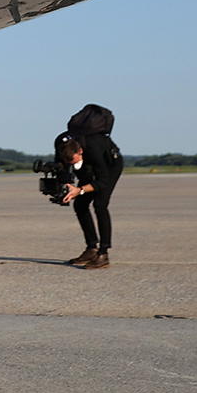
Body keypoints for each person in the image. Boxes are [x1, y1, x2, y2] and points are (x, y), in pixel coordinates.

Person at [57, 104, 123, 269]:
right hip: (89, 167)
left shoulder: (93, 149)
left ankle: (104, 253)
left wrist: (79, 190)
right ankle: (91, 248)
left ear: (80, 152)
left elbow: (102, 180)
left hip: (109, 167)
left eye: (74, 160)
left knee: (100, 205)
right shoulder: (61, 143)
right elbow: (63, 168)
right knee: (80, 204)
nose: (73, 164)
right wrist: (66, 184)